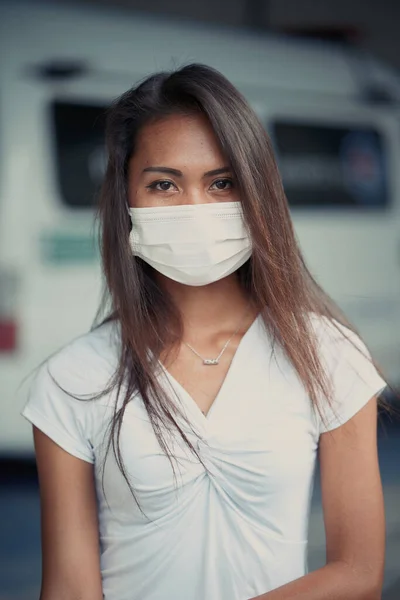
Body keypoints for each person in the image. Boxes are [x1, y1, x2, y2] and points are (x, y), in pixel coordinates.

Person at [21, 63, 389, 600]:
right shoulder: (74, 378)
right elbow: (70, 589)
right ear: (126, 199)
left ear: (256, 193)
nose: (195, 208)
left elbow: (359, 576)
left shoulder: (327, 354)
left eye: (222, 183)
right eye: (164, 184)